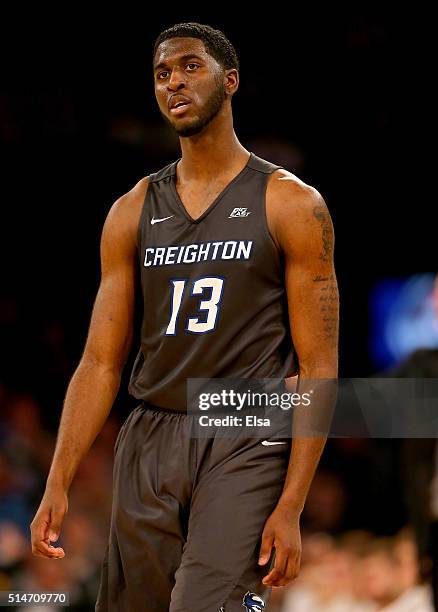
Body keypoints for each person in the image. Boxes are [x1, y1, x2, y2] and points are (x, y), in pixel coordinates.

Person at [29, 22, 339, 611]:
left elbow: (319, 366)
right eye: (162, 73)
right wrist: (58, 479)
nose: (174, 81)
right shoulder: (132, 210)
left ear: (232, 80)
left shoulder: (292, 203)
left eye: (191, 66)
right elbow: (99, 361)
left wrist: (293, 504)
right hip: (150, 432)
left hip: (245, 426)